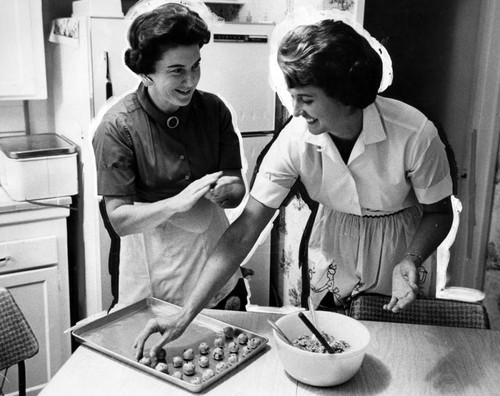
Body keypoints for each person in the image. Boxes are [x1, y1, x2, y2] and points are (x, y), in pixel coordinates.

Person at [133, 11, 454, 360]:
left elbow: (439, 212)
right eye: (293, 96)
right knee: (328, 344)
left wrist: (410, 259)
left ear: (345, 93)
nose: (295, 109)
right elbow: (246, 228)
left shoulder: (415, 134)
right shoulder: (296, 139)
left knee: (397, 351)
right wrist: (184, 315)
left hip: (402, 244)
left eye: (307, 98)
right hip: (335, 241)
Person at [92, 1, 248, 312]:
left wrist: (230, 191)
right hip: (154, 270)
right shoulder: (117, 126)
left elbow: (235, 185)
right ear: (145, 73)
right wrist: (177, 203)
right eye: (176, 71)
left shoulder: (214, 110)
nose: (191, 81)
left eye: (195, 66)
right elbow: (120, 219)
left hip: (214, 262)